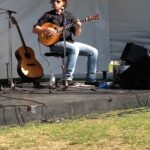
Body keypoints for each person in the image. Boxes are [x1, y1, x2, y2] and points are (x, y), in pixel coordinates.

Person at [32, 0, 99, 86]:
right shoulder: (48, 15)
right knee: (74, 48)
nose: (54, 3)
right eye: (53, 2)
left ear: (64, 3)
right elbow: (34, 29)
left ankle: (91, 79)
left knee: (94, 51)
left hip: (70, 42)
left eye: (57, 1)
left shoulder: (69, 15)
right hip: (55, 43)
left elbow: (77, 34)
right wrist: (46, 29)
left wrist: (78, 27)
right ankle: (67, 78)